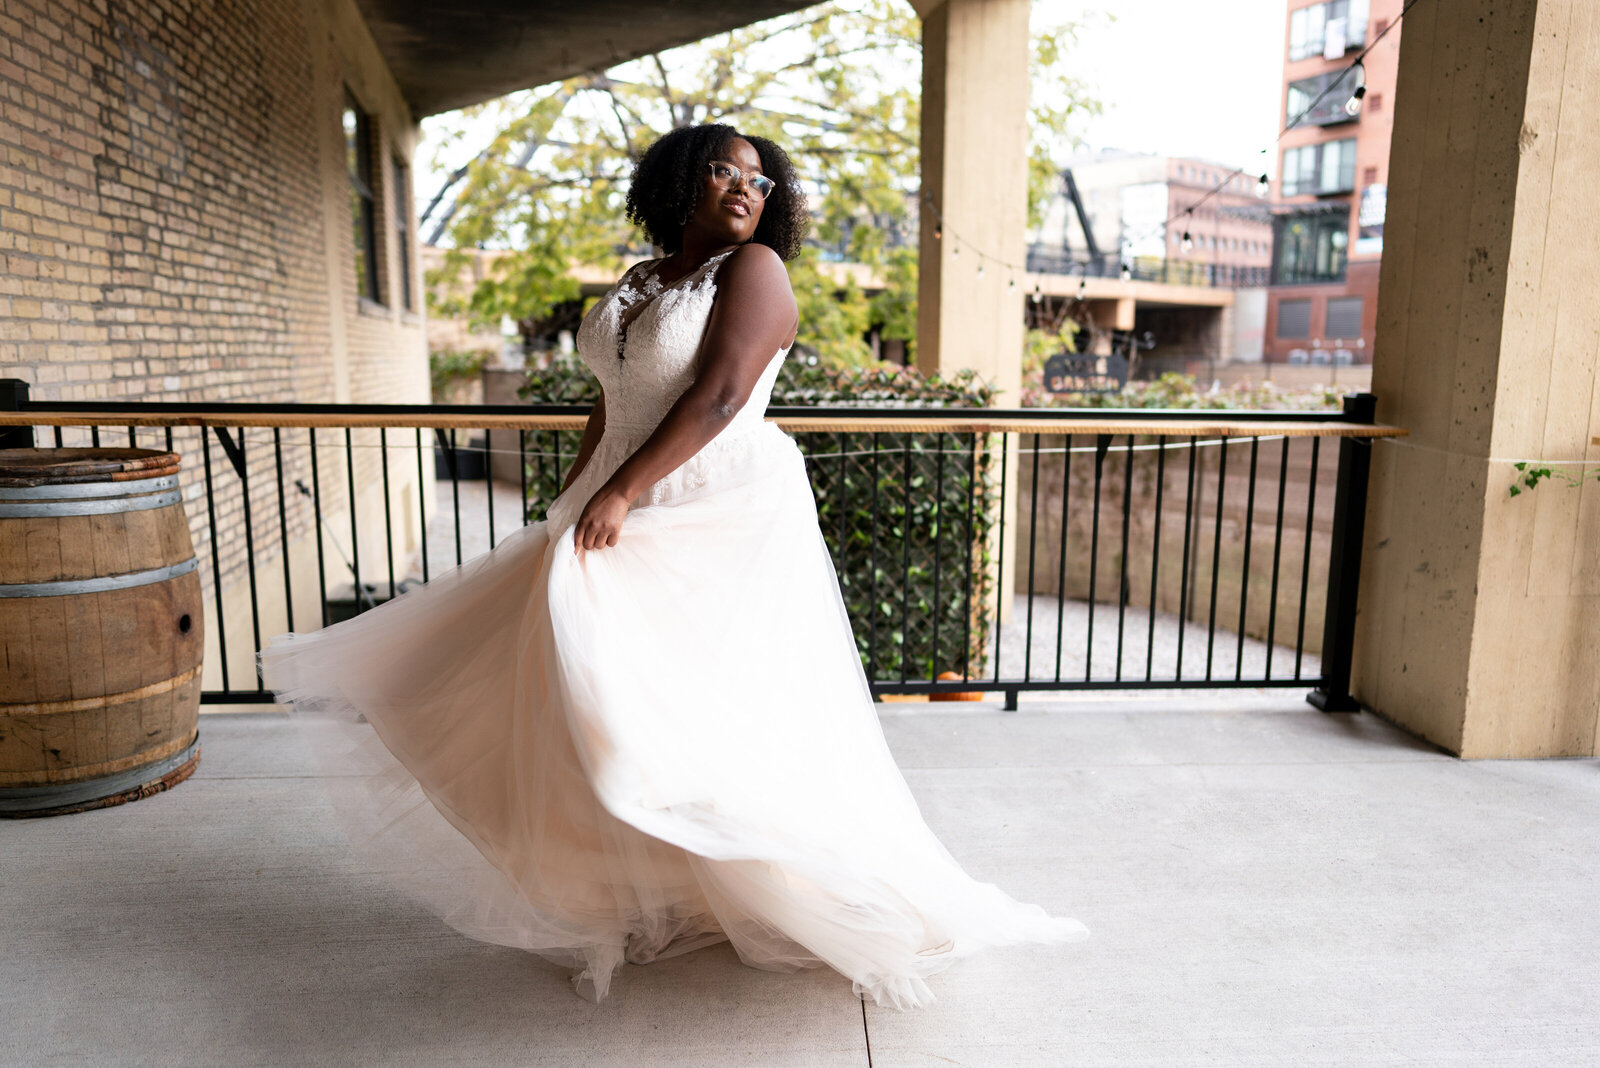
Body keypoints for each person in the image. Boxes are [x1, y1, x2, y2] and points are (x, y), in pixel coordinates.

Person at [259, 123, 1086, 1010]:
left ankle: (790, 877)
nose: (743, 189)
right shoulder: (642, 280)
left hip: (702, 509)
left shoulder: (755, 272)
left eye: (760, 182)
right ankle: (646, 889)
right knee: (554, 689)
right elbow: (610, 401)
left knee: (670, 712)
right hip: (615, 503)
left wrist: (623, 493)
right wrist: (576, 496)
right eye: (724, 172)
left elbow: (722, 395)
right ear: (679, 181)